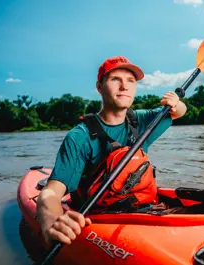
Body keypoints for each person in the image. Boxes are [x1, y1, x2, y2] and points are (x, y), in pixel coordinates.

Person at [36, 56, 187, 246]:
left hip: (146, 211)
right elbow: (50, 193)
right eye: (116, 79)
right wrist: (52, 222)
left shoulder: (141, 121)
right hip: (103, 220)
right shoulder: (79, 137)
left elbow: (177, 112)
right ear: (99, 87)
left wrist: (177, 103)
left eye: (130, 81)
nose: (124, 86)